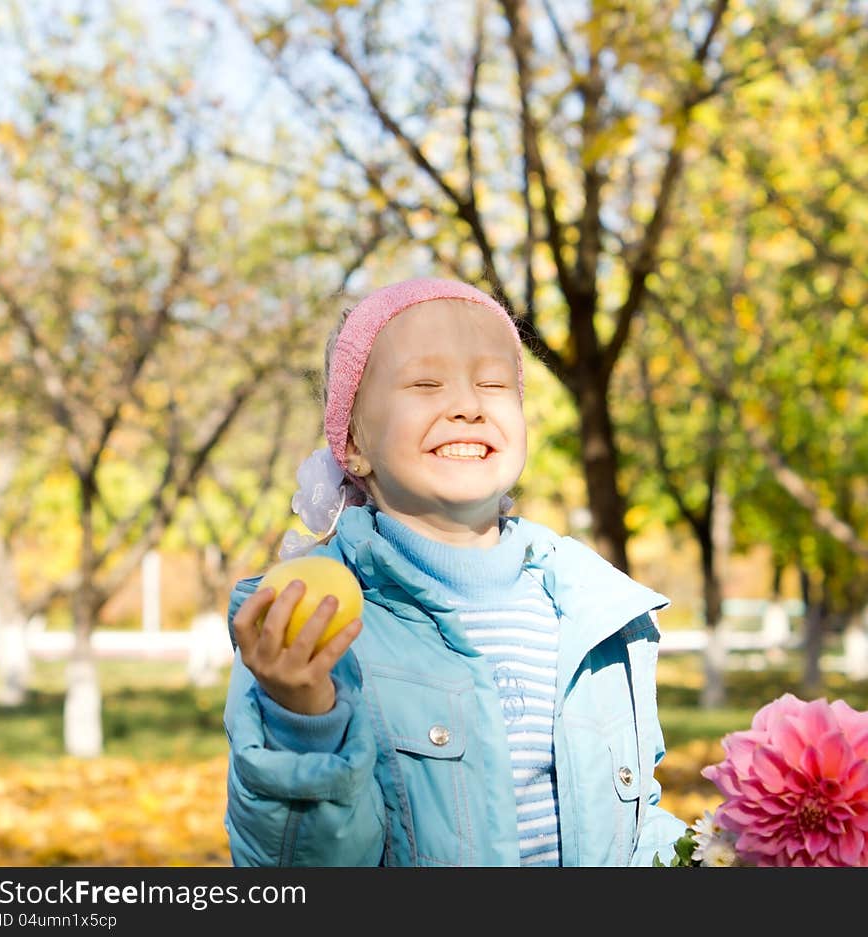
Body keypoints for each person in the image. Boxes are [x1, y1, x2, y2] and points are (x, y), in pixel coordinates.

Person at [223, 276, 688, 867]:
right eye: (426, 383)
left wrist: (727, 848)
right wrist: (302, 721)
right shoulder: (311, 622)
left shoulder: (591, 613)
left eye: (493, 384)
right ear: (354, 442)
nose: (468, 404)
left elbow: (634, 826)